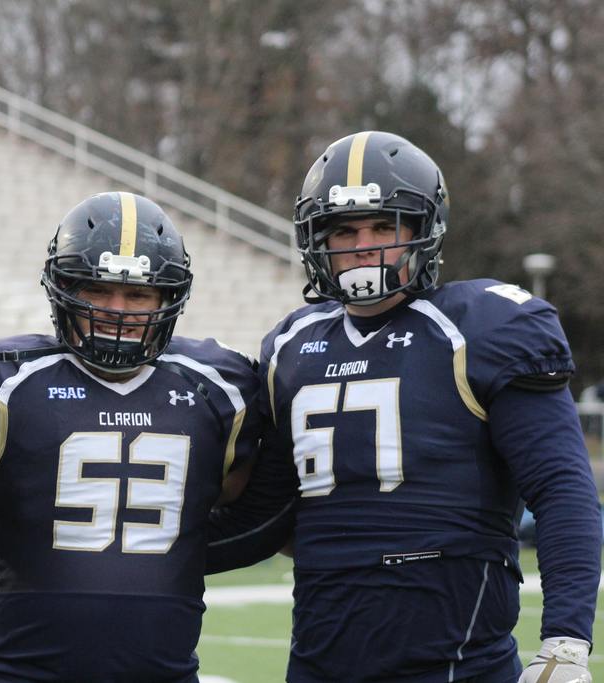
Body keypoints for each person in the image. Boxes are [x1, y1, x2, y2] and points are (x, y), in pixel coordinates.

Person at [211, 131, 601, 682]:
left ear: (424, 231)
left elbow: (562, 489)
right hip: (321, 658)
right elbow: (270, 513)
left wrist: (567, 639)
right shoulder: (291, 348)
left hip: (456, 662)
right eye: (344, 230)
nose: (363, 245)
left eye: (384, 226)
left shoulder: (482, 329)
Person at [0, 191, 277, 682]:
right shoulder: (2, 384)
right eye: (95, 290)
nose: (116, 310)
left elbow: (252, 506)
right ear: (62, 288)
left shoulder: (221, 389)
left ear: (168, 299)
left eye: (138, 294)